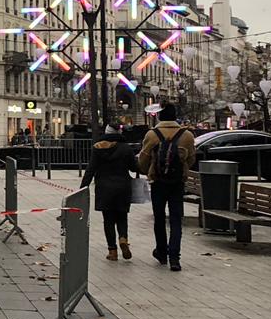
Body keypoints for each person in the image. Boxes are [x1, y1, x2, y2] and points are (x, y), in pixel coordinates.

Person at [138, 105, 196, 271]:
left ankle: (162, 252)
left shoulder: (152, 134)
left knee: (159, 218)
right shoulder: (186, 135)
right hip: (177, 183)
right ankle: (175, 258)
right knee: (176, 220)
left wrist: (148, 171)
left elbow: (143, 159)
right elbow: (191, 158)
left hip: (158, 182)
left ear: (160, 117)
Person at [81, 125, 136, 261]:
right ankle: (123, 238)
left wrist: (83, 186)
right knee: (122, 216)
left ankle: (112, 251)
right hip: (123, 186)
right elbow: (134, 168)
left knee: (108, 220)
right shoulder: (126, 148)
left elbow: (91, 168)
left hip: (104, 187)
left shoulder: (98, 147)